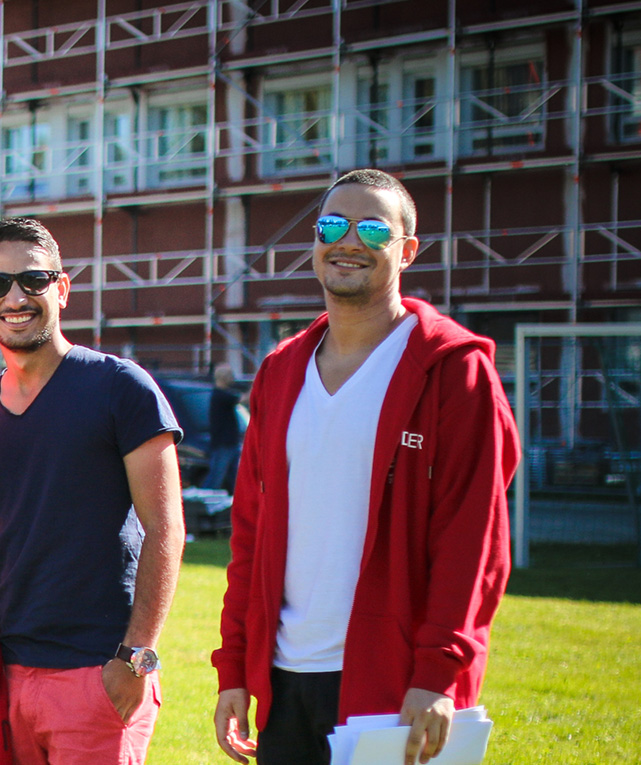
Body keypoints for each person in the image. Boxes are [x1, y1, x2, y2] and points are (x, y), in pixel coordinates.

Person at [211, 169, 517, 765]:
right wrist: (234, 667)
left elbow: (474, 542)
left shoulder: (455, 372)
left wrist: (438, 675)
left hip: (394, 680)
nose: (348, 241)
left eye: (373, 228)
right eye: (333, 224)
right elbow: (250, 535)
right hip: (283, 679)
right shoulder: (280, 373)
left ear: (405, 251)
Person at [0, 217, 185, 765]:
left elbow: (167, 528)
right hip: (9, 671)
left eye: (33, 281)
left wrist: (135, 657)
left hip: (100, 670)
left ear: (62, 289)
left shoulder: (121, 387)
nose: (15, 297)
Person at [201, 364, 244, 492]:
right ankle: (203, 503)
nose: (233, 378)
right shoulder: (221, 396)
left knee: (234, 477)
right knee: (216, 477)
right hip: (223, 443)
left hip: (228, 442)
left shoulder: (219, 395)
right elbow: (243, 399)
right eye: (230, 375)